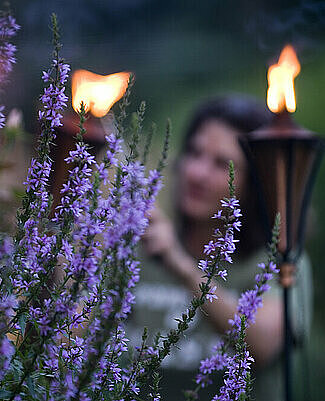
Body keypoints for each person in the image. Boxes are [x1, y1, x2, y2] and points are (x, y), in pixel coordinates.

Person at [127, 95, 312, 400]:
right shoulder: (138, 250)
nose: (197, 173)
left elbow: (262, 345)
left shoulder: (278, 261)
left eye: (222, 164)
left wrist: (181, 266)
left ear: (254, 182)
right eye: (194, 153)